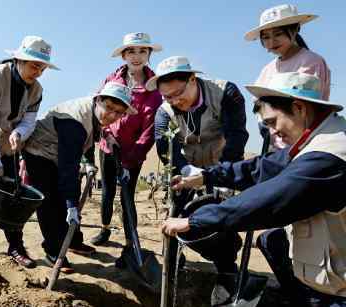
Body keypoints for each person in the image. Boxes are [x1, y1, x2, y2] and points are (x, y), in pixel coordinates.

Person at [162, 72, 346, 306]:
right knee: (274, 241)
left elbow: (267, 203)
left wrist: (194, 221)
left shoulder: (328, 156)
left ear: (299, 108)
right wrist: (206, 177)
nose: (271, 133)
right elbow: (260, 167)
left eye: (271, 122)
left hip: (339, 291)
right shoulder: (318, 139)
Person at [149, 56, 249, 279]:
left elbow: (236, 135)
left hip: (220, 158)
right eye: (167, 96)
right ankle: (173, 260)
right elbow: (165, 145)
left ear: (193, 79)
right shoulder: (164, 112)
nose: (174, 101)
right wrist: (184, 170)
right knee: (176, 209)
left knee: (222, 214)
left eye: (178, 94)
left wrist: (223, 174)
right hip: (187, 163)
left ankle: (226, 266)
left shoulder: (226, 93)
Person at [23, 82, 137, 273]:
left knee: (69, 201)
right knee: (52, 203)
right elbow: (69, 167)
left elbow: (91, 133)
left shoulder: (93, 114)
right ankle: (53, 251)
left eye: (119, 112)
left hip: (59, 154)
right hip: (39, 152)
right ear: (98, 100)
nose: (112, 115)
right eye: (109, 107)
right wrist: (70, 204)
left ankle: (74, 242)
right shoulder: (75, 123)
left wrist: (105, 137)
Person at [0, 35, 58, 267]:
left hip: (7, 138)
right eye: (34, 65)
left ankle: (15, 246)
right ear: (19, 59)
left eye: (42, 67)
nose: (38, 71)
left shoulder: (37, 90)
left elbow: (29, 121)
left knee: (14, 189)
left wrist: (19, 134)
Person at [90, 32, 163, 251]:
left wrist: (134, 155)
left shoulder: (155, 88)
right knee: (108, 190)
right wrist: (107, 136)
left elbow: (151, 127)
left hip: (135, 151)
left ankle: (131, 240)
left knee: (127, 195)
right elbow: (98, 111)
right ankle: (104, 228)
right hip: (107, 146)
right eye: (131, 51)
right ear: (123, 55)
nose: (137, 56)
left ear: (149, 54)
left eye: (142, 51)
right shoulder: (111, 79)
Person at [245, 4, 331, 150]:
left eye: (278, 34)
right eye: (266, 37)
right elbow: (259, 107)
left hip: (304, 142)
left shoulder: (311, 61)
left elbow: (311, 107)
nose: (272, 42)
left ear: (296, 29)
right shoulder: (267, 69)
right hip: (276, 146)